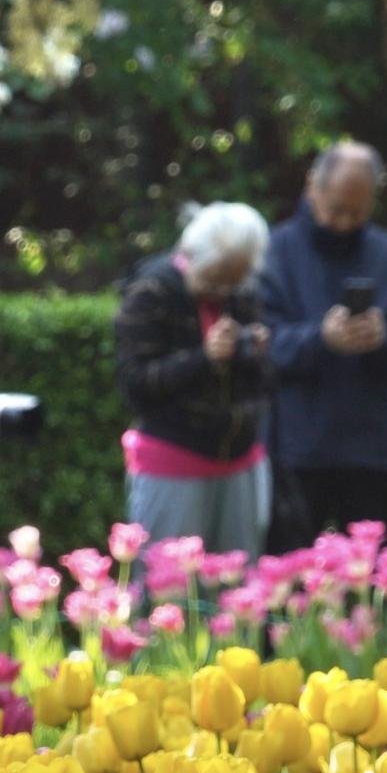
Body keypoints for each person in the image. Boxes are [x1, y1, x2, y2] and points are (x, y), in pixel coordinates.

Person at [258, 141, 387, 547]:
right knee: (289, 585)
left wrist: (384, 339)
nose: (345, 222)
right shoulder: (273, 252)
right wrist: (321, 338)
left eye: (357, 212)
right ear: (312, 186)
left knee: (379, 584)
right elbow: (261, 345)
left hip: (372, 450)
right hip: (298, 449)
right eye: (335, 209)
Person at [114, 202, 276, 556]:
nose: (221, 291)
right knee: (168, 588)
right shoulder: (152, 291)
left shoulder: (242, 292)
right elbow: (134, 383)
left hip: (240, 458)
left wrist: (255, 353)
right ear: (187, 255)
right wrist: (203, 358)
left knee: (236, 587)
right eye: (214, 279)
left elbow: (262, 383)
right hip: (173, 458)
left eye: (233, 281)